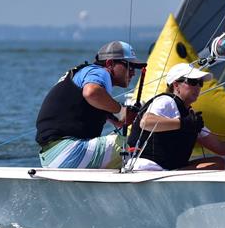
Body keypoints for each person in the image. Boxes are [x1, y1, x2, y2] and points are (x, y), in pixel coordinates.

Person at [126, 62, 225, 171]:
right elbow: (146, 122)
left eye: (200, 83)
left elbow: (220, 147)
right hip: (147, 169)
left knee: (218, 162)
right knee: (218, 165)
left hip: (166, 170)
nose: (198, 87)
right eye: (192, 82)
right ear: (176, 85)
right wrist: (182, 124)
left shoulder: (190, 117)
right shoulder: (166, 101)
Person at [35, 40, 145, 169]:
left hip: (51, 157)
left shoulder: (86, 76)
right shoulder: (100, 72)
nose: (133, 72)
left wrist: (123, 117)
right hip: (68, 152)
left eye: (135, 68)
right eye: (129, 66)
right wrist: (121, 111)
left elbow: (116, 118)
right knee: (133, 145)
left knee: (117, 141)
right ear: (110, 63)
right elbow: (91, 93)